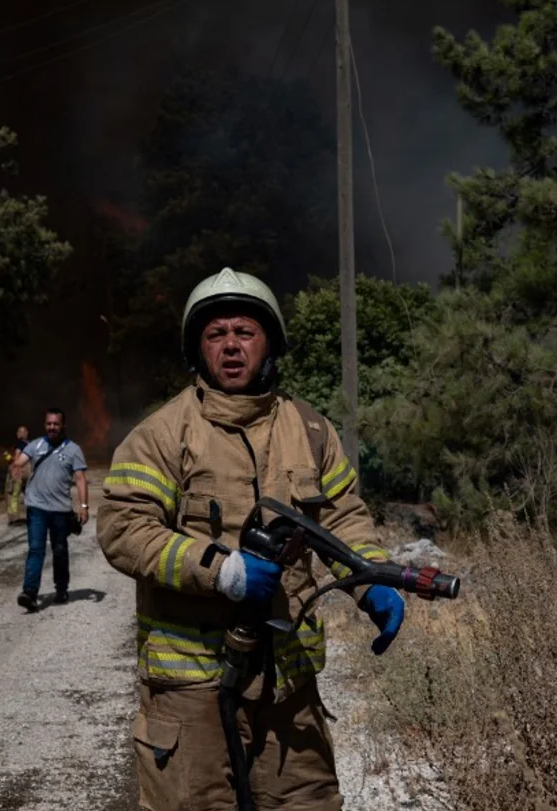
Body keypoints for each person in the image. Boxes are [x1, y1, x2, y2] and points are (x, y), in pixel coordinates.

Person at [97, 267, 406, 811]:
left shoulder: (310, 430)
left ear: (270, 344)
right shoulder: (163, 434)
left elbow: (343, 518)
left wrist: (371, 578)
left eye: (245, 332)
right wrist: (220, 569)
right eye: (216, 335)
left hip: (287, 684)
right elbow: (124, 530)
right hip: (192, 687)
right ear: (198, 350)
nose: (232, 346)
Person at [8, 409, 89, 609]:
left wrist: (84, 506)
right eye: (49, 424)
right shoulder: (36, 445)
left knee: (60, 550)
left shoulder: (74, 450)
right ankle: (29, 592)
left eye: (56, 424)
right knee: (36, 549)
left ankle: (61, 589)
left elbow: (80, 479)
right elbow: (19, 462)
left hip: (60, 510)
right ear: (45, 425)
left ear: (63, 425)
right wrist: (15, 467)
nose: (52, 427)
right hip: (36, 507)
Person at [5, 424, 31, 523]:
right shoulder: (30, 444)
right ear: (17, 434)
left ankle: (13, 517)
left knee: (13, 494)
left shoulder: (20, 443)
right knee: (28, 493)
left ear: (27, 433)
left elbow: (17, 456)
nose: (22, 433)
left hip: (20, 472)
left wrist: (14, 468)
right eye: (20, 431)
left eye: (23, 431)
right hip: (29, 473)